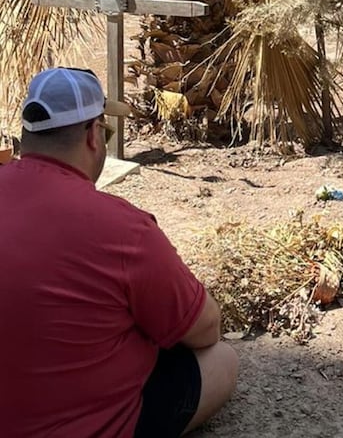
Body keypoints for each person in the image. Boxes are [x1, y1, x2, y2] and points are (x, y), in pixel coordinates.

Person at [0, 67, 239, 438]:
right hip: (81, 424)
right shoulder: (123, 229)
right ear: (94, 136)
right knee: (222, 359)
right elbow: (206, 328)